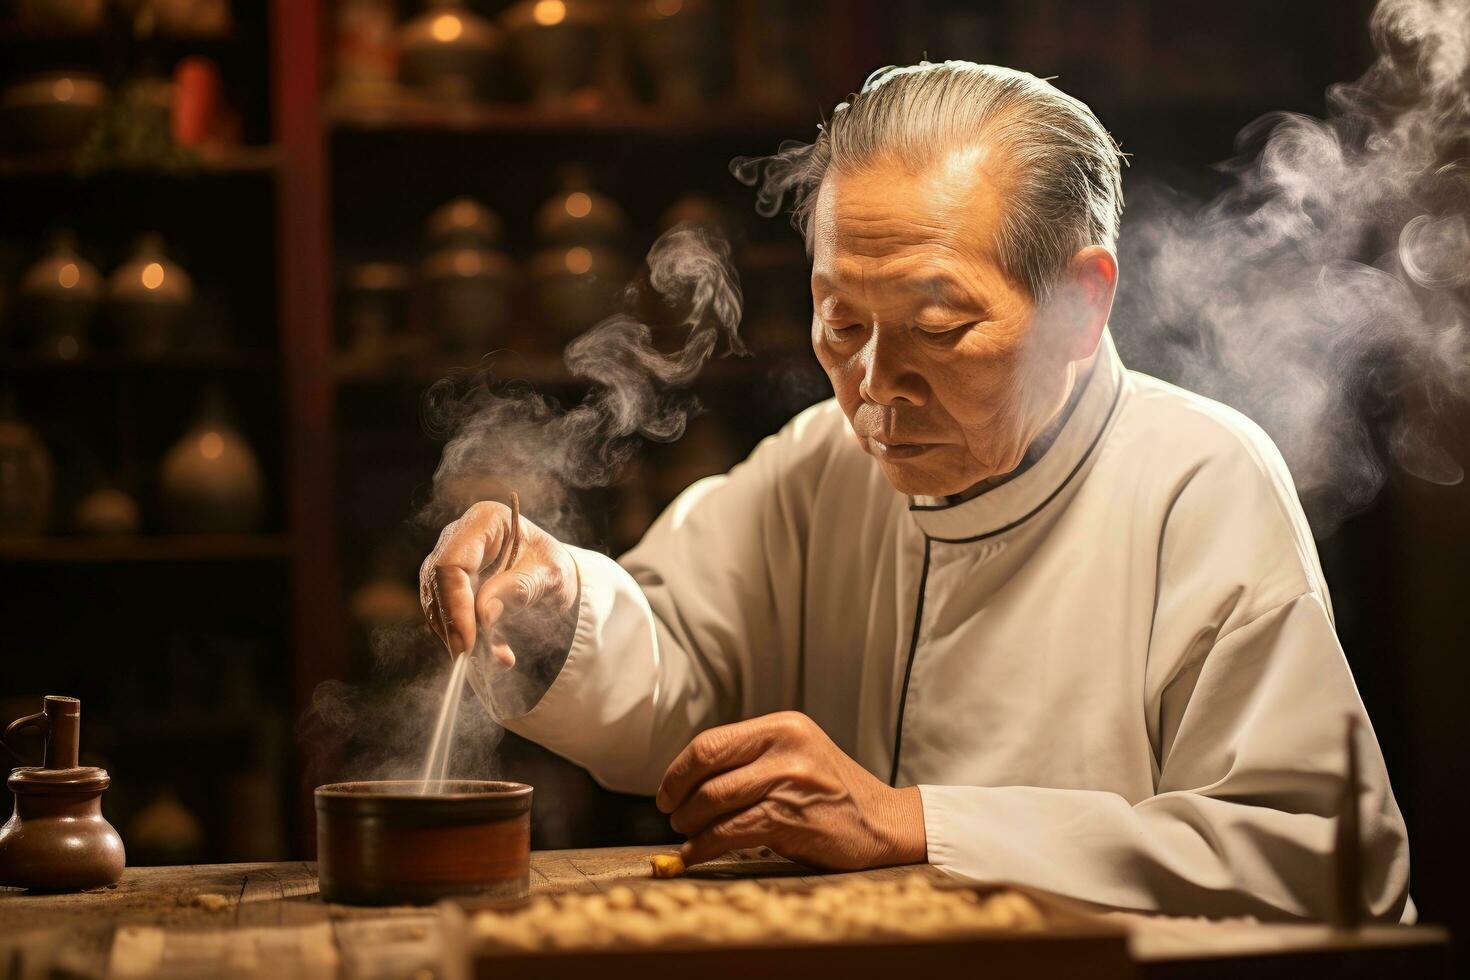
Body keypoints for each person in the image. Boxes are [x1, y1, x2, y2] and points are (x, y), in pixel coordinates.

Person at [420, 62, 1410, 922]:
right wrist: (555, 603)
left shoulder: (1199, 480)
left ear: (1082, 300)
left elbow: (1319, 857)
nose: (877, 388)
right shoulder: (821, 462)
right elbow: (676, 662)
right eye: (841, 325)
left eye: (938, 328)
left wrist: (911, 821)